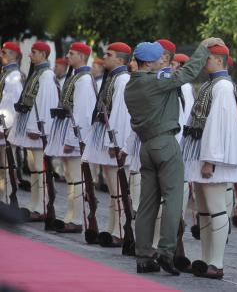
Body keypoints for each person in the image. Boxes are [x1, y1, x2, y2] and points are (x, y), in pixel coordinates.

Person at [125, 37, 224, 275]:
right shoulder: (157, 80)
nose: (163, 59)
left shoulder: (131, 85)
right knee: (173, 199)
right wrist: (203, 47)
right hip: (165, 144)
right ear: (148, 63)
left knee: (147, 204)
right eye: (159, 57)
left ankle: (143, 256)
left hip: (146, 147)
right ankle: (166, 252)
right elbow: (187, 72)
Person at [181, 43, 237, 279]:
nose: (203, 62)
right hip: (203, 155)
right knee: (205, 210)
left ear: (219, 60)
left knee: (216, 208)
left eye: (206, 58)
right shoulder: (213, 85)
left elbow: (218, 127)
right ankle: (207, 258)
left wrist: (210, 160)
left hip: (213, 158)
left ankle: (216, 263)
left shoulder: (223, 87)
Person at [82, 42, 132, 246]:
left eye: (109, 54)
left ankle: (120, 231)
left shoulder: (122, 80)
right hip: (108, 137)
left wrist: (116, 143)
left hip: (114, 140)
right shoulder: (113, 78)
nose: (105, 57)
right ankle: (113, 229)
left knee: (118, 190)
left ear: (120, 60)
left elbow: (122, 115)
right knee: (114, 191)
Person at [44, 42, 96, 233]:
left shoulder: (83, 80)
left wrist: (73, 141)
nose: (67, 56)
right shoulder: (75, 77)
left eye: (72, 53)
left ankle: (75, 220)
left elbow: (82, 113)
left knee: (75, 178)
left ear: (82, 56)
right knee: (70, 177)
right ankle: (70, 216)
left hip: (73, 135)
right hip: (67, 131)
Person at [8, 41, 59, 221]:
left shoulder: (45, 75)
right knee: (34, 167)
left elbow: (45, 103)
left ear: (44, 55)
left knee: (39, 167)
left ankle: (43, 205)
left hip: (38, 130)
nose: (30, 55)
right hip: (32, 128)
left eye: (34, 52)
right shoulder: (38, 73)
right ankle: (35, 204)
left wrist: (37, 128)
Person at [0, 42, 23, 204]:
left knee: (7, 165)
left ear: (14, 55)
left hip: (5, 127)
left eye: (5, 52)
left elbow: (13, 104)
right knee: (3, 165)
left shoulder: (13, 76)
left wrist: (8, 127)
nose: (2, 55)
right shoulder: (6, 73)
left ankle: (8, 198)